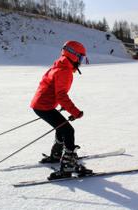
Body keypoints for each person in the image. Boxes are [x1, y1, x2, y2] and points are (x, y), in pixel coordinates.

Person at [30, 41, 88, 179]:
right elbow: (61, 95)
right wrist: (75, 112)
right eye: (80, 58)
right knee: (68, 131)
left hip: (42, 105)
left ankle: (56, 155)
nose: (80, 61)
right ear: (73, 55)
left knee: (61, 127)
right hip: (44, 106)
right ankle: (68, 164)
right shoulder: (65, 71)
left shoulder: (59, 65)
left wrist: (59, 104)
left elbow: (53, 90)